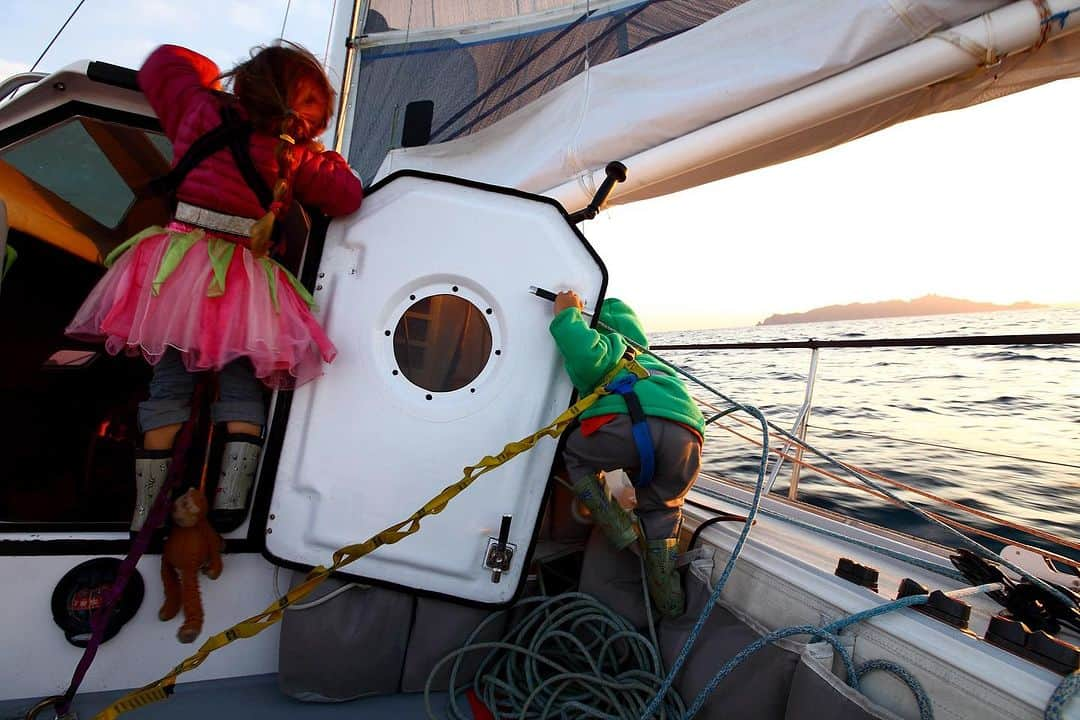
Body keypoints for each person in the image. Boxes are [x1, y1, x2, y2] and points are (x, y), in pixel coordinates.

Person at [66, 43, 363, 534]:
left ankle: (146, 508)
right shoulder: (297, 158)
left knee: (168, 383)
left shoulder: (199, 110)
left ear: (247, 84)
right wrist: (319, 154)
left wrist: (214, 81)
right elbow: (347, 196)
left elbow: (163, 63)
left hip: (179, 271)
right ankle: (230, 502)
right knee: (245, 382)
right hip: (246, 280)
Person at [549, 291, 705, 617]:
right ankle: (668, 595)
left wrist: (567, 315)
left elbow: (583, 352)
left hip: (627, 424)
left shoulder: (615, 347)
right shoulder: (652, 361)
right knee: (663, 505)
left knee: (575, 454)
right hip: (687, 434)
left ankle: (617, 526)